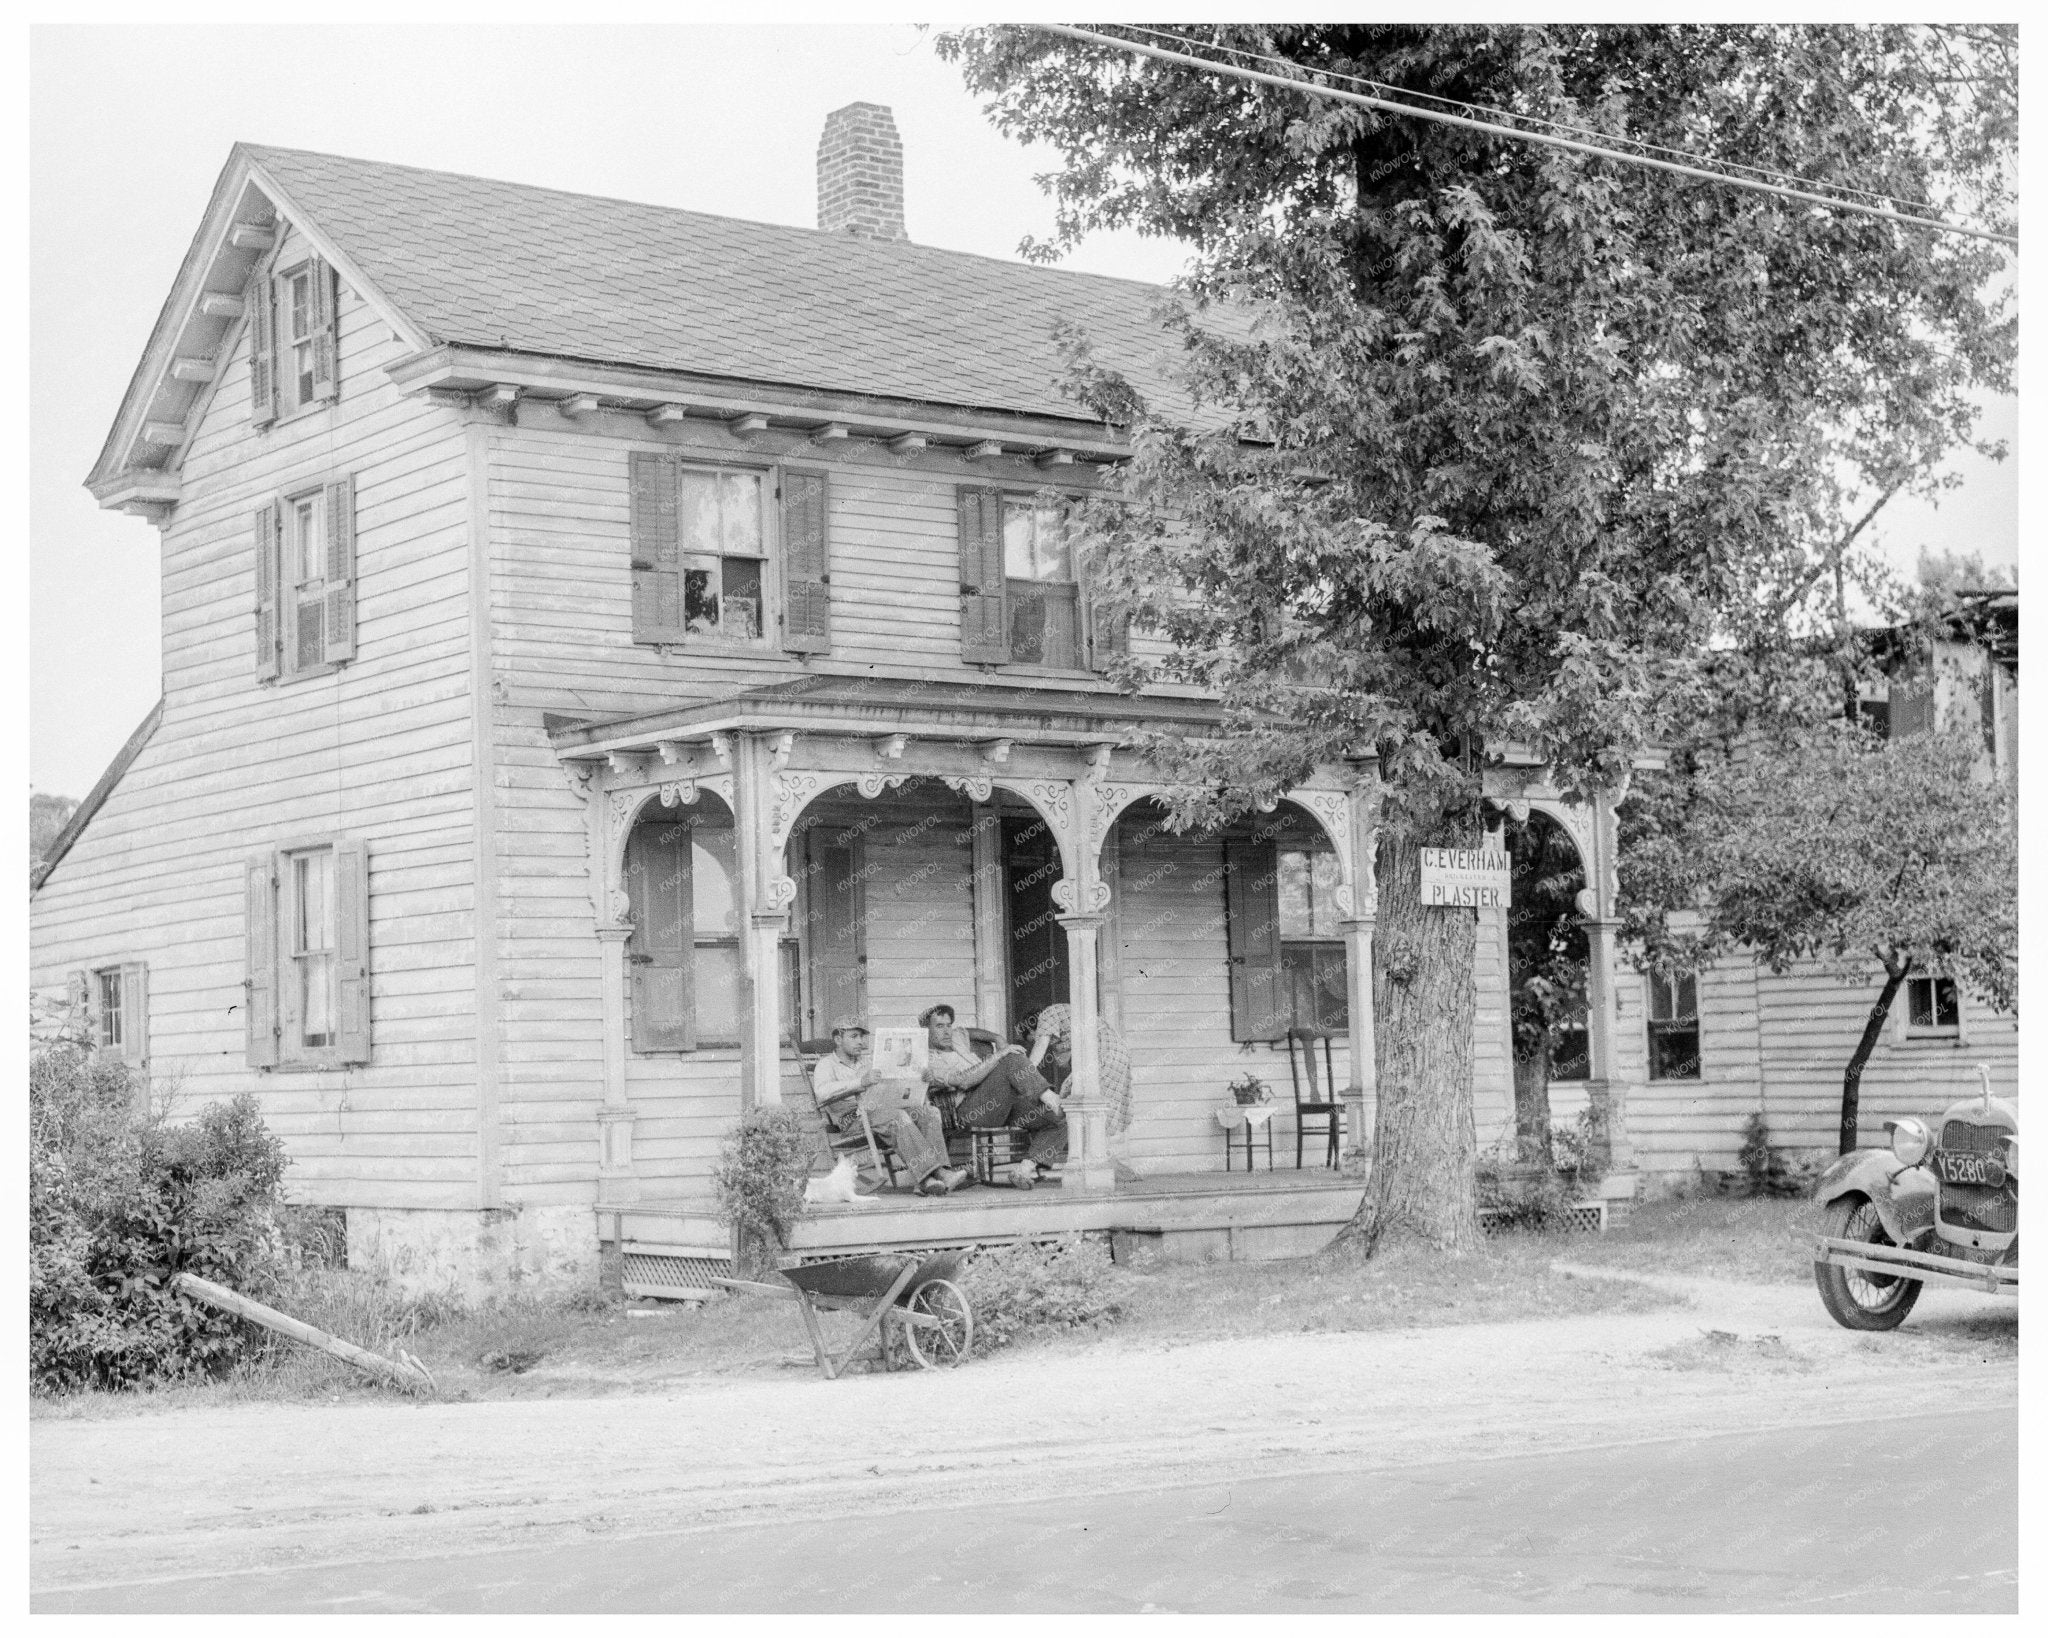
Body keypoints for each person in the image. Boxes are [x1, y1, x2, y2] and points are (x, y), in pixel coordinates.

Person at [811, 1018, 967, 1196]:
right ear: (838, 1040)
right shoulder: (826, 1065)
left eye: (861, 1037)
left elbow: (895, 1083)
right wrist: (859, 1082)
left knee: (929, 1112)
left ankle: (930, 1179)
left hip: (881, 1111)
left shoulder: (869, 1062)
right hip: (852, 1119)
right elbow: (822, 1093)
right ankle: (933, 1175)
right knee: (898, 1117)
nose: (860, 1042)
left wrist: (922, 1078)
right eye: (853, 1036)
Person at [919, 1002, 1068, 1173]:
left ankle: (1025, 1169)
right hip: (971, 1110)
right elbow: (964, 1081)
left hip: (1001, 1102)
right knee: (1011, 1058)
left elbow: (974, 1033)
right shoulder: (927, 1059)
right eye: (939, 1026)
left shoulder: (956, 1037)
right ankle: (1048, 1096)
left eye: (948, 1025)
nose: (946, 1031)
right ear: (925, 1031)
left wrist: (998, 1039)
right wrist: (1000, 1054)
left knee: (1060, 1118)